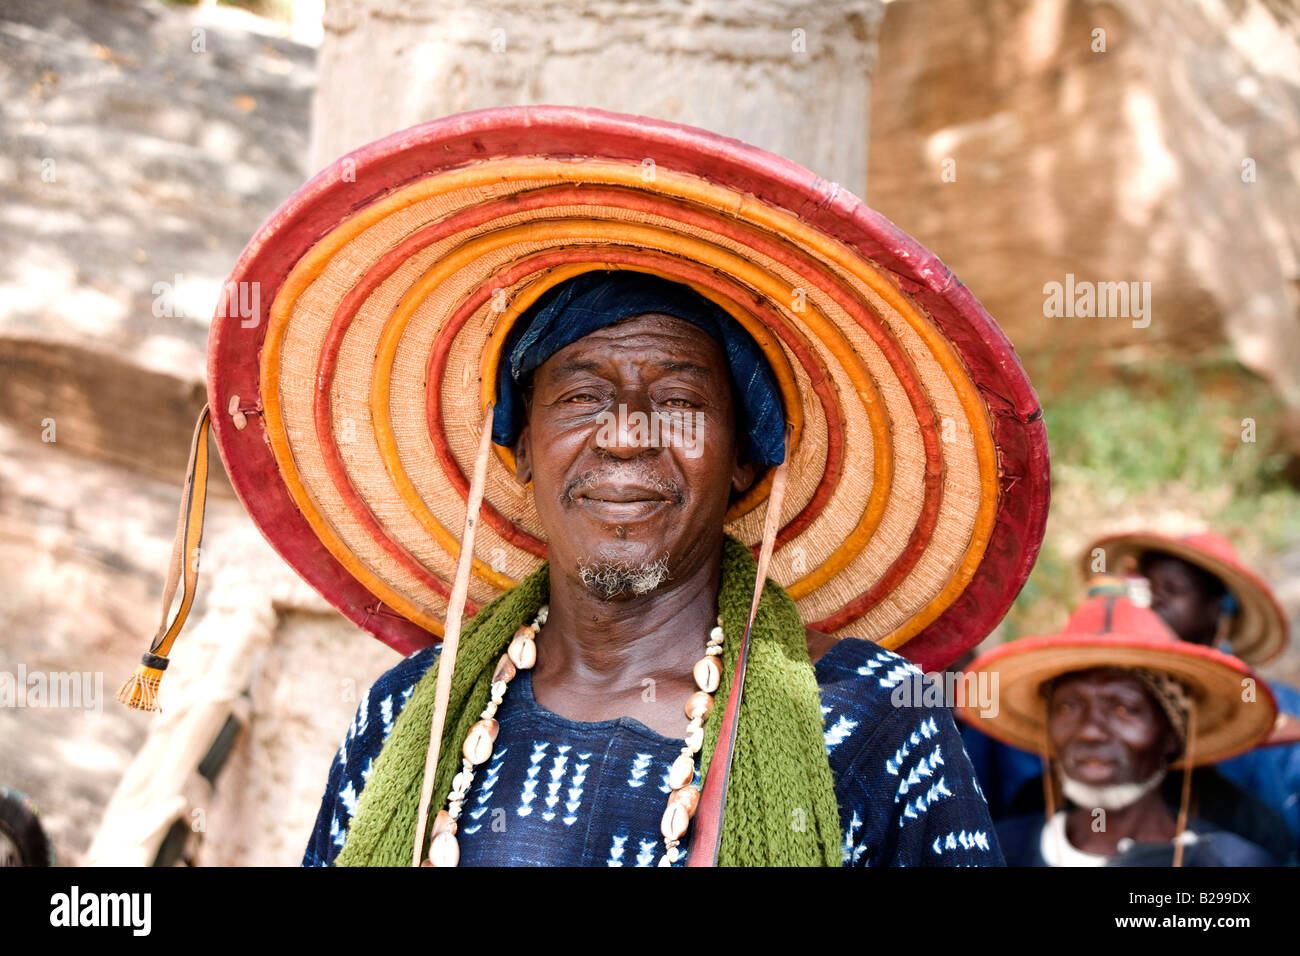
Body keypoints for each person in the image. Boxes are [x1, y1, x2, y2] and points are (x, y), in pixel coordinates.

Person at [118, 106, 1052, 866]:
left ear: (744, 461)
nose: (626, 437)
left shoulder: (862, 718)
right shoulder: (412, 712)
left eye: (680, 399)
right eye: (581, 396)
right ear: (519, 449)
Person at [956, 589, 1280, 866]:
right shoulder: (993, 850)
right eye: (1069, 707)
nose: (1090, 732)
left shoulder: (1229, 862)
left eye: (1124, 709)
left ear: (1170, 734)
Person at [1087, 532, 1300, 850]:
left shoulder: (1280, 708)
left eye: (1172, 590)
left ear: (1216, 608)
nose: (1154, 601)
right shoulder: (1093, 699)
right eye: (1147, 588)